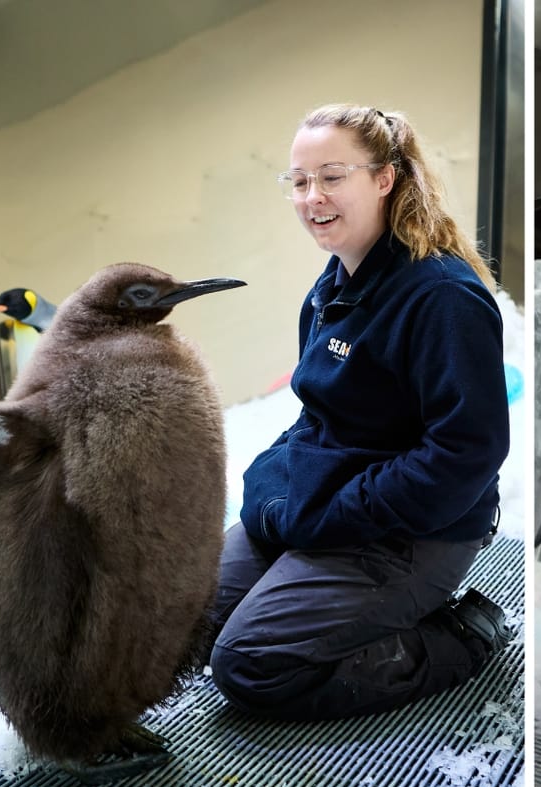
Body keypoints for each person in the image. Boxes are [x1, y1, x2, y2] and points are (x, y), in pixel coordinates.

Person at [208, 103, 512, 721]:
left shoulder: (442, 298)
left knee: (252, 663)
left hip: (417, 529)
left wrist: (335, 514)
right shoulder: (334, 286)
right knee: (179, 614)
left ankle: (460, 637)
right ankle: (325, 595)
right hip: (336, 510)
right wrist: (274, 491)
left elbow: (464, 455)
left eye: (331, 176)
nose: (312, 196)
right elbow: (316, 418)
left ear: (384, 178)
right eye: (299, 180)